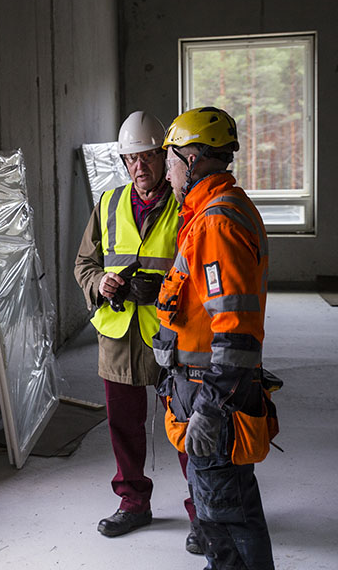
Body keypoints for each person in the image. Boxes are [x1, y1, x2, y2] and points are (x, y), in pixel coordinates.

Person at [154, 106, 275, 569]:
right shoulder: (212, 211)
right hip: (200, 385)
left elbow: (236, 331)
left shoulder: (215, 223)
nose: (167, 169)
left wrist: (212, 406)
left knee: (228, 513)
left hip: (211, 391)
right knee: (214, 510)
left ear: (195, 158)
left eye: (171, 159)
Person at [74, 111, 199, 552]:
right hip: (119, 335)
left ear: (163, 158)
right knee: (123, 424)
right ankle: (133, 503)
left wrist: (164, 289)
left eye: (148, 157)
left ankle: (201, 512)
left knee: (186, 426)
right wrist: (99, 284)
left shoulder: (187, 206)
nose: (140, 166)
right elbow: (84, 264)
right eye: (132, 159)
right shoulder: (108, 204)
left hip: (171, 336)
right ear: (124, 162)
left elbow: (201, 270)